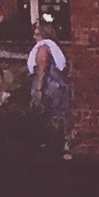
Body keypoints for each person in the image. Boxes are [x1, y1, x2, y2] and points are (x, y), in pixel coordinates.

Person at [25, 22, 72, 153]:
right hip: (60, 86)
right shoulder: (56, 48)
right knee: (60, 117)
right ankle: (62, 144)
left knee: (43, 116)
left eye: (37, 34)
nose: (35, 37)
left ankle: (47, 146)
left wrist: (39, 89)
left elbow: (42, 66)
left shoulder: (43, 47)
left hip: (48, 87)